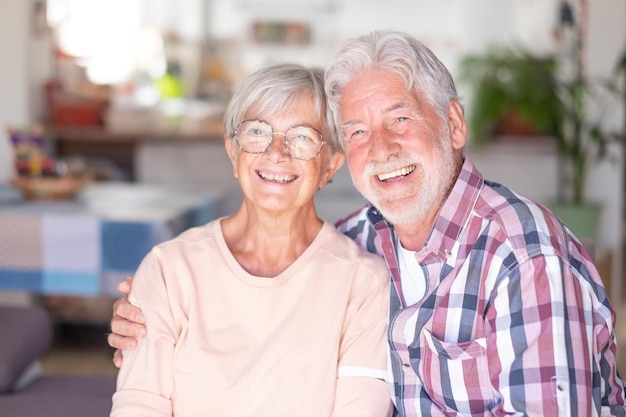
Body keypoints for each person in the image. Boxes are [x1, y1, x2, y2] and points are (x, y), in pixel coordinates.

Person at [108, 31, 626, 416]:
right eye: (356, 131)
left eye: (400, 119)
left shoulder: (526, 259)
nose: (380, 148)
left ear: (453, 124)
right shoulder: (364, 240)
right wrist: (147, 308)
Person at [108, 63, 394, 417]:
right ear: (234, 151)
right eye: (258, 132)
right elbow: (139, 404)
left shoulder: (363, 283)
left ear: (331, 165)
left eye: (302, 137)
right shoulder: (169, 268)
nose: (277, 153)